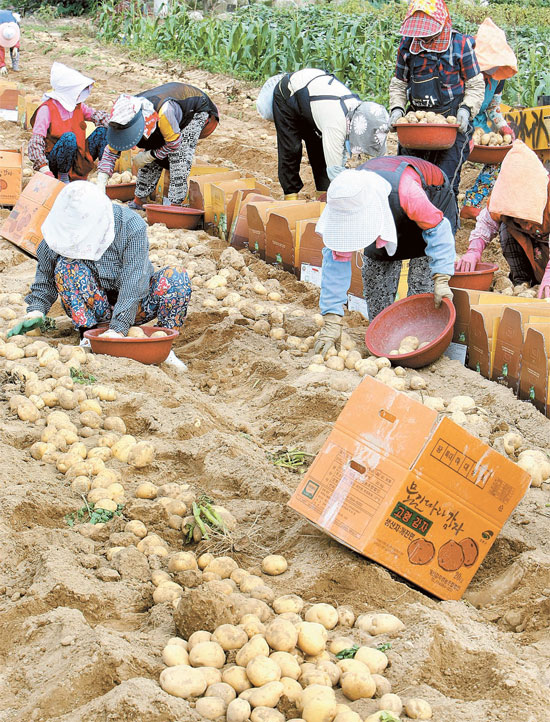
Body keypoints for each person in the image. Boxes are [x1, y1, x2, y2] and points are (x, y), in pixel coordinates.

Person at [12, 181, 191, 369]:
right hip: (95, 308)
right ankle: (89, 336)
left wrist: (119, 328)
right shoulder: (61, 228)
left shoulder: (129, 225)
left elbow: (134, 279)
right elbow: (46, 276)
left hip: (137, 303)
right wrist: (36, 310)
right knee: (67, 266)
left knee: (176, 277)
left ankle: (162, 345)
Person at [314, 157, 457, 356]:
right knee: (376, 280)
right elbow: (335, 259)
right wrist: (331, 318)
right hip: (391, 206)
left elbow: (438, 229)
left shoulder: (407, 192)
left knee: (423, 286)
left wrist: (441, 276)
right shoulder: (344, 199)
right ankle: (383, 341)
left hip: (431, 201)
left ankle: (420, 346)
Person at [388, 0, 485, 199]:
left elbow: (475, 85)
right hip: (418, 125)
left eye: (429, 33)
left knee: (445, 182)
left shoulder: (460, 45)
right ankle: (411, 228)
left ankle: (444, 227)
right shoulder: (407, 45)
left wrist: (466, 110)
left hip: (452, 124)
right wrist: (397, 109)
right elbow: (399, 83)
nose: (425, 38)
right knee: (409, 180)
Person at [256, 69, 390, 200]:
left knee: (319, 150)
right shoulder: (336, 123)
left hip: (314, 101)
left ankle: (322, 200)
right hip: (290, 94)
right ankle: (291, 198)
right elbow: (335, 172)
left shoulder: (357, 114)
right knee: (291, 149)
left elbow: (340, 153)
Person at [97, 82, 219, 208]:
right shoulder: (122, 118)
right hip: (162, 119)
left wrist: (149, 155)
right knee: (152, 149)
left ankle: (174, 207)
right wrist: (101, 186)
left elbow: (174, 144)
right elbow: (110, 153)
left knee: (178, 157)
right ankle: (139, 200)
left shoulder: (164, 113)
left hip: (195, 110)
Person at [457, 140, 550, 298]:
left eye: (527, 220)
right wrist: (474, 251)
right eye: (520, 221)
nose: (526, 227)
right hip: (532, 250)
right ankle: (523, 283)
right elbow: (486, 224)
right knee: (506, 228)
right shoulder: (501, 198)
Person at [461, 18, 517, 220]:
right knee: (455, 157)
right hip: (462, 122)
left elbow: (493, 107)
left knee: (497, 160)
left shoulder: (498, 78)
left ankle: (472, 203)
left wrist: (503, 128)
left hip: (481, 127)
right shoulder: (463, 70)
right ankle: (447, 201)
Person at [28, 62, 109, 184]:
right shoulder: (47, 109)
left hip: (77, 159)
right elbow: (35, 142)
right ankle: (63, 176)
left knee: (103, 131)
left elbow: (98, 116)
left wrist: (119, 126)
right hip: (55, 162)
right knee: (69, 138)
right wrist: (45, 169)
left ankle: (103, 174)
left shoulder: (78, 106)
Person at [0, 9, 20, 75]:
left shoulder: (15, 24)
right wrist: (2, 65)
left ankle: (15, 65)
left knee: (15, 48)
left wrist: (16, 47)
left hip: (10, 20)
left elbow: (16, 36)